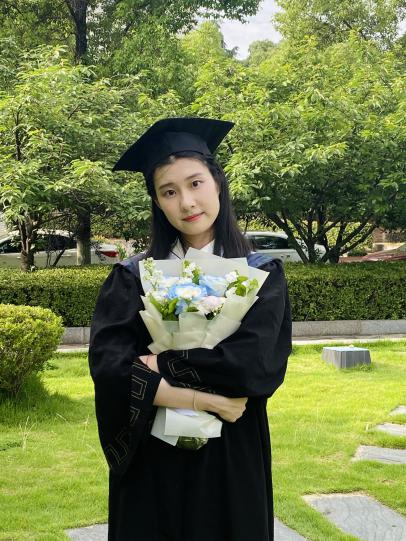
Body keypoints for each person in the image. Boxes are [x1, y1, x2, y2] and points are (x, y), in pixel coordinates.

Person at [88, 117, 292, 541]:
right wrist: (204, 399)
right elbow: (109, 370)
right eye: (169, 191)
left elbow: (250, 368)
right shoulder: (133, 278)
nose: (186, 202)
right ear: (157, 202)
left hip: (230, 455)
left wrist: (156, 364)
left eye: (195, 183)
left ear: (218, 183)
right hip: (152, 457)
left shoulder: (261, 274)